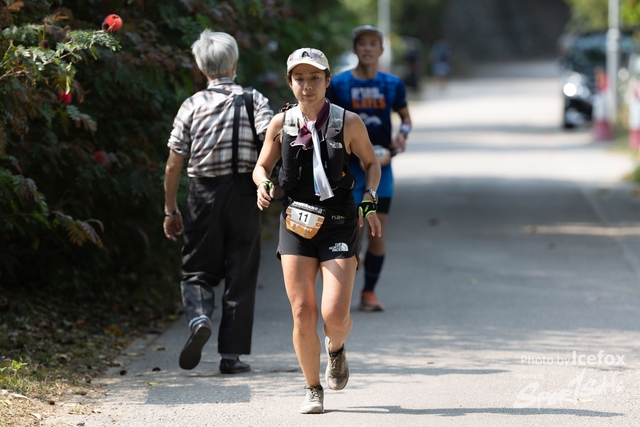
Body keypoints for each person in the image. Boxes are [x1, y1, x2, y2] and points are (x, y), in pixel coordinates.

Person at [253, 47, 382, 414]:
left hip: (339, 224)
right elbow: (261, 167)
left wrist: (369, 198)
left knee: (334, 316)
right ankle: (312, 388)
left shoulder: (347, 122)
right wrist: (263, 184)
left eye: (314, 78)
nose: (306, 85)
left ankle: (336, 348)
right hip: (296, 223)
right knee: (302, 312)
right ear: (290, 82)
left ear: (327, 80)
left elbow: (372, 164)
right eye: (299, 78)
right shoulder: (281, 123)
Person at [163, 30, 273, 374]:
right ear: (235, 63)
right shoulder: (254, 100)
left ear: (201, 68)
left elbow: (173, 164)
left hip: (202, 195)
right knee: (241, 272)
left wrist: (170, 209)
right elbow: (272, 142)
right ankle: (231, 356)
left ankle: (199, 318)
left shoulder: (191, 105)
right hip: (244, 195)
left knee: (196, 270)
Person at [327, 25, 412, 312]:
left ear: (381, 50)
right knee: (353, 231)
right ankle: (346, 283)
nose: (367, 48)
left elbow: (406, 119)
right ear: (355, 49)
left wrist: (402, 135)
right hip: (349, 171)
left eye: (373, 43)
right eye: (362, 43)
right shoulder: (339, 84)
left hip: (381, 168)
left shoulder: (392, 84)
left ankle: (368, 293)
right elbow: (328, 122)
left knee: (377, 230)